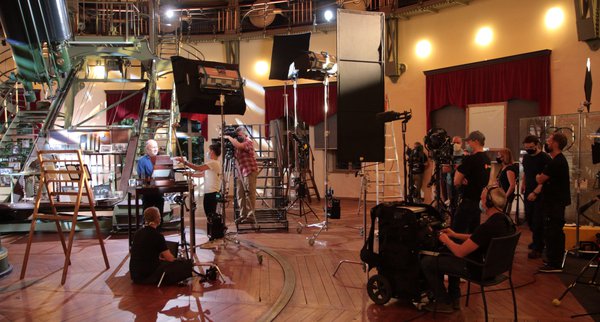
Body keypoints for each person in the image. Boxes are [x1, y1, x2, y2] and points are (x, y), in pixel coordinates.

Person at [420, 185, 516, 313]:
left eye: (481, 199)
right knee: (448, 253)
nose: (480, 203)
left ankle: (443, 301)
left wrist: (445, 238)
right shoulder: (505, 221)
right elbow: (477, 238)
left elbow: (460, 252)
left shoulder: (488, 226)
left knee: (428, 262)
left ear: (488, 202)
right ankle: (454, 298)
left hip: (477, 269)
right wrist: (454, 235)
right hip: (494, 269)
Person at [531, 132, 571, 273]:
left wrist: (537, 176)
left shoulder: (556, 162)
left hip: (555, 203)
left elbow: (540, 179)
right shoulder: (557, 160)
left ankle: (554, 263)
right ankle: (553, 260)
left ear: (555, 143)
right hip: (554, 202)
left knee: (553, 232)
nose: (547, 142)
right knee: (553, 231)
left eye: (549, 140)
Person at [129, 207, 193, 285]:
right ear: (157, 219)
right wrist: (180, 259)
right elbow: (170, 259)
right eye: (159, 216)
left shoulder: (138, 233)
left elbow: (144, 253)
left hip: (135, 275)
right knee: (186, 264)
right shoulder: (157, 236)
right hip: (148, 275)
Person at [453, 131, 491, 233]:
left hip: (468, 199)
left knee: (458, 229)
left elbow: (456, 181)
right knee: (473, 229)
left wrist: (460, 176)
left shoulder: (471, 159)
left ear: (476, 141)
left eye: (469, 142)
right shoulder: (487, 159)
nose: (467, 144)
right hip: (479, 200)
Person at [521, 135, 551, 259]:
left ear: (537, 145)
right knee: (529, 217)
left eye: (531, 147)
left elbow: (546, 178)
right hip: (528, 190)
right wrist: (523, 185)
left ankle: (538, 247)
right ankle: (537, 241)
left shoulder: (545, 158)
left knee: (538, 220)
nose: (529, 149)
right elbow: (526, 173)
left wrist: (536, 192)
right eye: (526, 148)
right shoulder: (526, 158)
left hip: (540, 192)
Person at [176, 143, 222, 216]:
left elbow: (198, 168)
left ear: (212, 152)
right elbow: (202, 174)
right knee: (209, 213)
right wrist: (191, 174)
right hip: (210, 192)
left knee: (210, 213)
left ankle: (213, 227)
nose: (208, 152)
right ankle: (211, 227)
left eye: (209, 151)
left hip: (212, 193)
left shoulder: (213, 163)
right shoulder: (214, 163)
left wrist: (184, 162)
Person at [224, 127, 258, 224]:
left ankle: (250, 216)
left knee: (249, 194)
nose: (238, 137)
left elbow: (240, 146)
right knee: (240, 194)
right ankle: (243, 215)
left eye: (239, 135)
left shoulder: (248, 141)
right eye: (237, 135)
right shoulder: (236, 144)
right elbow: (235, 153)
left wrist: (230, 138)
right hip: (241, 172)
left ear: (244, 134)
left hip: (249, 170)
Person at [137, 139, 165, 222]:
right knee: (147, 213)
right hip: (148, 191)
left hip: (159, 190)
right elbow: (141, 176)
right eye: (153, 147)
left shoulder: (162, 158)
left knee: (160, 212)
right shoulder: (142, 161)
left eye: (156, 147)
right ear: (147, 149)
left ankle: (159, 230)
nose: (156, 149)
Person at [495, 148, 518, 214]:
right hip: (501, 195)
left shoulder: (509, 169)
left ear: (503, 157)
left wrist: (505, 196)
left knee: (504, 215)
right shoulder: (503, 168)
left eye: (499, 155)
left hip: (506, 196)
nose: (497, 157)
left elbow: (512, 185)